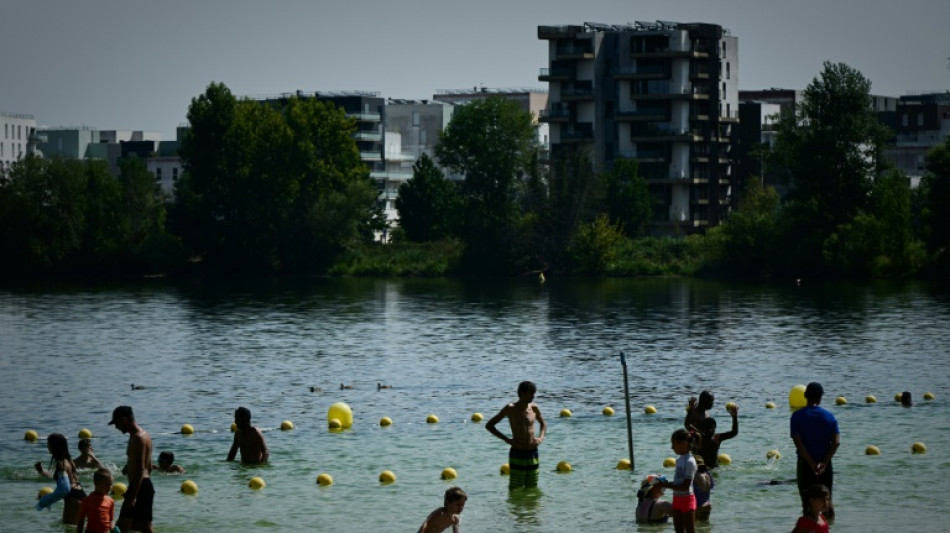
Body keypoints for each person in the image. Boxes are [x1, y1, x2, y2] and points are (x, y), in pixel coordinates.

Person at [790, 382, 839, 520]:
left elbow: (798, 443)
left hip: (806, 466)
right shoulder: (829, 417)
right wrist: (824, 462)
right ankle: (829, 527)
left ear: (805, 395)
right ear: (821, 397)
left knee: (808, 506)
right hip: (826, 466)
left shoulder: (797, 416)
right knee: (827, 504)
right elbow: (836, 442)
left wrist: (812, 463)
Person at [486, 380, 547, 490]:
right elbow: (490, 425)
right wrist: (507, 440)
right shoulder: (510, 408)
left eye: (534, 393)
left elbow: (543, 423)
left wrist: (541, 437)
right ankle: (515, 507)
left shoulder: (534, 408)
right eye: (530, 393)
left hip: (533, 452)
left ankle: (531, 507)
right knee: (515, 487)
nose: (533, 396)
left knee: (532, 486)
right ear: (522, 393)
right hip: (517, 453)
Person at [109, 405, 154, 533]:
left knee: (121, 526)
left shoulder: (138, 438)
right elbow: (149, 466)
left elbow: (141, 469)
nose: (116, 427)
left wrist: (133, 496)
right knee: (145, 527)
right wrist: (129, 469)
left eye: (116, 423)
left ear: (124, 420)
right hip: (143, 486)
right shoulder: (145, 435)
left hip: (139, 487)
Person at [35, 433, 86, 525]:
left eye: (49, 443)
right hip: (80, 494)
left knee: (69, 529)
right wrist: (41, 471)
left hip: (72, 498)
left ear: (55, 446)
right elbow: (62, 480)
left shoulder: (61, 464)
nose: (47, 446)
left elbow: (64, 490)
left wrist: (45, 500)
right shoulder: (68, 461)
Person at [660, 428, 698, 533]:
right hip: (677, 498)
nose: (672, 447)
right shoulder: (679, 460)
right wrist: (664, 483)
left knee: (690, 530)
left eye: (674, 444)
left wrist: (668, 486)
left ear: (683, 443)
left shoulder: (690, 461)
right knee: (678, 530)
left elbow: (685, 486)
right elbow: (678, 482)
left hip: (687, 499)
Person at [697, 403, 739, 468]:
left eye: (712, 428)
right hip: (701, 469)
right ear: (702, 429)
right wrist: (690, 411)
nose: (710, 430)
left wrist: (734, 417)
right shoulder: (698, 438)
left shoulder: (717, 438)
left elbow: (734, 432)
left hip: (714, 468)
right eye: (707, 428)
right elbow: (688, 426)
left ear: (715, 428)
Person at [76, 468, 115, 533]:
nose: (110, 488)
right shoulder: (87, 500)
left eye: (110, 485)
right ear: (96, 483)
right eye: (107, 485)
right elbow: (81, 520)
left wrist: (113, 528)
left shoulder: (110, 501)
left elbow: (111, 519)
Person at [693, 455, 714, 521]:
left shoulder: (694, 475)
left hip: (697, 506)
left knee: (695, 527)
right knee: (705, 528)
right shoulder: (708, 473)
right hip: (707, 505)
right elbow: (711, 486)